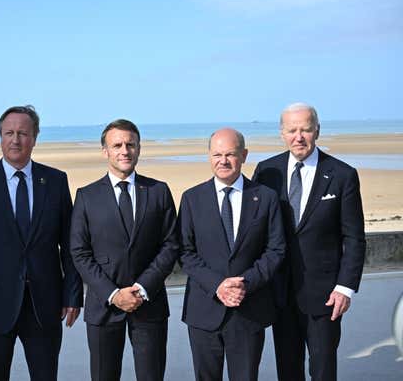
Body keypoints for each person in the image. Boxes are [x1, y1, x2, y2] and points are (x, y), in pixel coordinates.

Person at [0, 105, 83, 381]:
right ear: (0, 137)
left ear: (34, 138)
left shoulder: (56, 181)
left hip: (45, 305)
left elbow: (69, 246)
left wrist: (73, 296)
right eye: (9, 133)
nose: (15, 140)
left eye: (23, 133)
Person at [252, 103, 366, 381]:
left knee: (323, 368)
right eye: (292, 130)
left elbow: (354, 237)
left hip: (326, 295)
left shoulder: (342, 174)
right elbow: (254, 230)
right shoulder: (267, 172)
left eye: (305, 129)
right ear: (282, 133)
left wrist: (345, 288)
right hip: (279, 292)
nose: (298, 136)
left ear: (317, 131)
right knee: (288, 369)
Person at [70, 119, 178, 381]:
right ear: (105, 151)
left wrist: (141, 289)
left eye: (130, 144)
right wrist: (114, 294)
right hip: (104, 307)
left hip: (149, 304)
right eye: (117, 145)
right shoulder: (87, 196)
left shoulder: (159, 191)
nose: (124, 151)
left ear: (139, 148)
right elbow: (79, 252)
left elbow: (171, 244)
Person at [178, 128, 285, 381]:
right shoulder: (192, 198)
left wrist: (244, 283)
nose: (223, 161)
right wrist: (218, 285)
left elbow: (276, 249)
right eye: (217, 154)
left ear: (244, 155)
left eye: (230, 154)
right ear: (208, 156)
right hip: (204, 309)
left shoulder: (266, 198)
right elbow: (184, 251)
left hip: (249, 310)